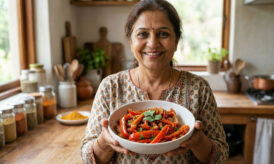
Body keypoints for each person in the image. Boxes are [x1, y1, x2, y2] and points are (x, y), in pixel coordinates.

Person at [81, 0, 229, 163]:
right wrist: (104, 142)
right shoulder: (110, 87)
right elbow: (88, 158)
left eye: (163, 34)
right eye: (143, 34)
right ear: (131, 42)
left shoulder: (199, 88)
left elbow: (221, 157)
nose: (152, 43)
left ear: (176, 41)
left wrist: (199, 141)